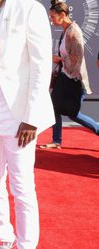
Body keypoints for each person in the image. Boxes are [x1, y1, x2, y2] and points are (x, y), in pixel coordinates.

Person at [0, 0, 55, 249]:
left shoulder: (29, 8)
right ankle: (3, 239)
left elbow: (41, 66)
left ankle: (27, 245)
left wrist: (31, 117)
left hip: (19, 118)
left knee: (22, 186)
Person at [40, 0, 99, 149]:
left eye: (53, 16)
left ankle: (97, 129)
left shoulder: (74, 31)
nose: (51, 20)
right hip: (65, 77)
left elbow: (77, 58)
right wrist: (60, 60)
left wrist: (59, 59)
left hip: (74, 80)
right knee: (54, 107)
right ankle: (56, 140)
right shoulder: (66, 30)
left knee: (73, 114)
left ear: (63, 15)